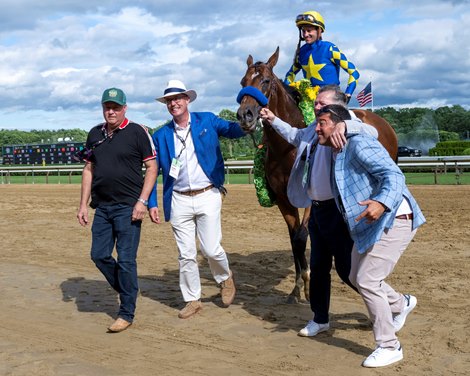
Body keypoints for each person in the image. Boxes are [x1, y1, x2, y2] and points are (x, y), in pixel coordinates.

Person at [259, 84, 377, 337]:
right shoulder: (316, 129)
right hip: (317, 208)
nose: (316, 107)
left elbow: (372, 131)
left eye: (322, 104)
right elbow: (294, 135)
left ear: (340, 106)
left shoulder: (352, 127)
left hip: (337, 210)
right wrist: (272, 118)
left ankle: (391, 305)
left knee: (348, 270)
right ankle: (320, 318)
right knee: (319, 266)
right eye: (315, 103)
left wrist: (347, 125)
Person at [315, 104, 425, 367]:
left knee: (367, 279)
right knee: (354, 275)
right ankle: (401, 303)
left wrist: (381, 202)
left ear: (338, 124)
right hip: (370, 224)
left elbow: (394, 175)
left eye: (321, 122)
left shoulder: (358, 143)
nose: (316, 127)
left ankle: (389, 345)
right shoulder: (334, 149)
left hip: (394, 216)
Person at [148, 80, 246, 319]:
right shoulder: (161, 135)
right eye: (169, 101)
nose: (174, 103)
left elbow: (235, 130)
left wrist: (249, 118)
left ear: (187, 100)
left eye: (178, 98)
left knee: (211, 249)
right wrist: (151, 202)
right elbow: (152, 171)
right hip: (178, 200)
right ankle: (193, 299)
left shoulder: (208, 120)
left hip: (208, 194)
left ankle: (225, 278)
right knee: (186, 254)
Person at [77, 88, 157, 333]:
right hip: (102, 207)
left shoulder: (138, 132)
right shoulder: (94, 134)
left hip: (128, 208)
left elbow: (152, 168)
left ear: (125, 108)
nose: (111, 111)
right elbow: (88, 170)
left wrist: (142, 202)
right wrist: (82, 204)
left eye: (116, 107)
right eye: (107, 107)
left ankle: (126, 312)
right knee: (98, 255)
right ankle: (127, 288)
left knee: (125, 260)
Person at [284, 10, 360, 103]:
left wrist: (348, 94)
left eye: (309, 31)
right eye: (303, 31)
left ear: (319, 31)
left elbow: (354, 72)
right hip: (310, 100)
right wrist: (287, 91)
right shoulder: (301, 52)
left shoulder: (330, 49)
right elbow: (290, 75)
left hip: (332, 99)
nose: (305, 34)